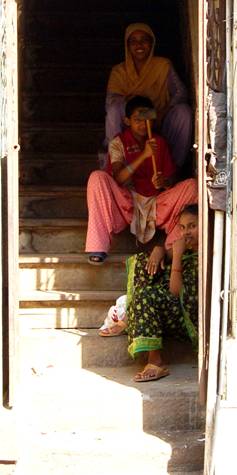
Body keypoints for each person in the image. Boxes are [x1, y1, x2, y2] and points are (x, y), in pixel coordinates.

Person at [86, 95, 197, 264]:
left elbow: (172, 179)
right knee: (97, 177)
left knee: (192, 186)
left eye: (147, 120)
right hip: (127, 204)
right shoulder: (118, 143)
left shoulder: (159, 141)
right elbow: (119, 178)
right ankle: (98, 246)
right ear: (127, 121)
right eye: (137, 120)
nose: (143, 125)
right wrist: (144, 155)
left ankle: (172, 247)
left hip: (157, 204)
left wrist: (164, 182)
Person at [100, 204, 199, 383]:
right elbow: (162, 254)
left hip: (187, 318)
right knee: (144, 260)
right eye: (182, 227)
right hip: (168, 309)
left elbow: (176, 294)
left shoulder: (207, 255)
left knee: (146, 296)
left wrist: (176, 258)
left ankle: (156, 360)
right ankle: (132, 314)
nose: (186, 232)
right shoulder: (185, 249)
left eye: (193, 226)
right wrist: (159, 251)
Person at [104, 22, 192, 170]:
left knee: (184, 112)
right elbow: (111, 99)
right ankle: (117, 161)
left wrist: (161, 112)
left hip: (158, 118)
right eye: (134, 41)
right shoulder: (119, 71)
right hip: (133, 121)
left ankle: (173, 168)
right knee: (113, 109)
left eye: (144, 40)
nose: (139, 45)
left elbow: (181, 92)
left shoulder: (163, 65)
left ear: (152, 43)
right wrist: (136, 109)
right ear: (127, 46)